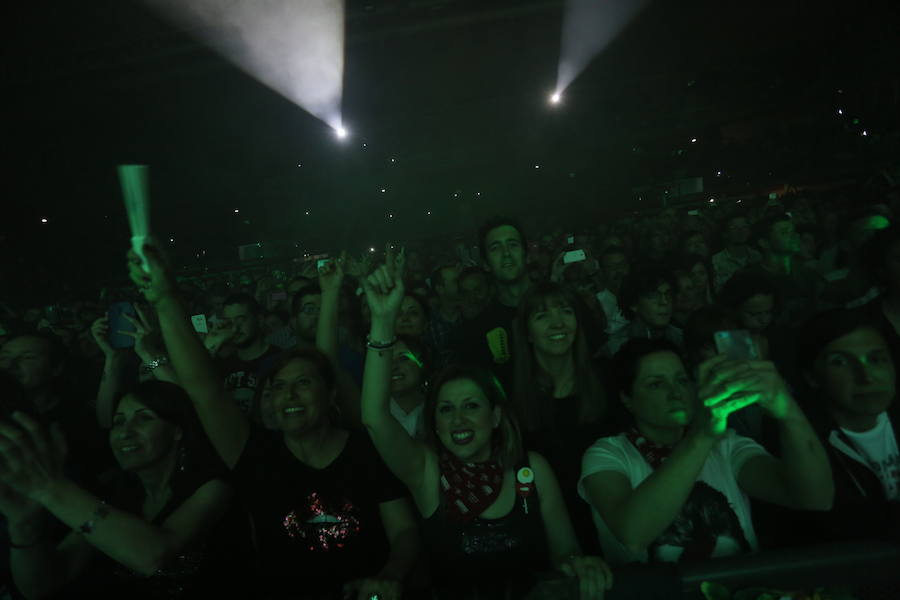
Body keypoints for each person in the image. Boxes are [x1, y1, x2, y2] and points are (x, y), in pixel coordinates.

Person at [128, 244, 419, 600]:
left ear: (330, 396)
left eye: (303, 383)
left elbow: (404, 531)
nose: (288, 395)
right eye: (278, 386)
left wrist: (392, 574)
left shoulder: (365, 450)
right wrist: (164, 298)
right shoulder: (256, 454)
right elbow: (204, 390)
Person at [361, 251, 613, 599]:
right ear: (434, 422)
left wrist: (579, 564)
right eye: (446, 409)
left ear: (495, 417)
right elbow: (375, 417)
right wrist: (383, 320)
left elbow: (565, 551)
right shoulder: (428, 474)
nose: (459, 418)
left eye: (471, 406)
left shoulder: (531, 471)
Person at [579, 338, 834, 565]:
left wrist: (786, 409)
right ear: (627, 398)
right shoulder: (608, 454)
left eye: (681, 380)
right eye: (656, 384)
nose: (675, 392)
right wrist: (702, 434)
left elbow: (813, 497)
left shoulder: (725, 445)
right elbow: (633, 533)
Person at [0, 380, 244, 599]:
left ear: (178, 430)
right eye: (118, 422)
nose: (125, 432)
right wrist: (23, 528)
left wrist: (49, 488)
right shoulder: (115, 494)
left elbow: (153, 557)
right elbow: (41, 585)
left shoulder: (213, 488)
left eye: (144, 418)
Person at [511, 282, 610, 553]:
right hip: (547, 538)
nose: (558, 323)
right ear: (527, 334)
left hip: (611, 526)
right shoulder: (511, 402)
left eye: (565, 311)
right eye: (542, 316)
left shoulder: (608, 382)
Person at [789, 309, 900, 543]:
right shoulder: (803, 443)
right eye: (840, 362)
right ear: (811, 376)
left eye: (876, 359)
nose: (866, 376)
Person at [450, 217, 532, 378]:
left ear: (526, 254)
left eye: (512, 244)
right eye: (496, 248)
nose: (506, 253)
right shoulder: (474, 332)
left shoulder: (564, 306)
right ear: (486, 263)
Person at [743, 215, 825, 324]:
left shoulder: (807, 273)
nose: (795, 235)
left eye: (794, 231)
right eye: (785, 232)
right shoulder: (748, 278)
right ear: (764, 242)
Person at [213, 293, 282, 419]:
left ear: (259, 320)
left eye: (241, 319)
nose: (235, 328)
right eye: (229, 322)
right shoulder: (223, 364)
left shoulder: (280, 361)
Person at [606, 267, 683, 356]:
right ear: (634, 303)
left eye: (668, 293)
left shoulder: (682, 339)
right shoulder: (617, 347)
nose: (664, 301)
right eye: (653, 295)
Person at [424, 264, 463, 368]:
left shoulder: (471, 315)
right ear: (440, 289)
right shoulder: (429, 324)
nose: (462, 284)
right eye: (456, 281)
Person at [711, 215, 762, 292]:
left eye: (744, 226)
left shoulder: (758, 256)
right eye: (733, 228)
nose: (740, 230)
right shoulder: (716, 261)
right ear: (725, 234)